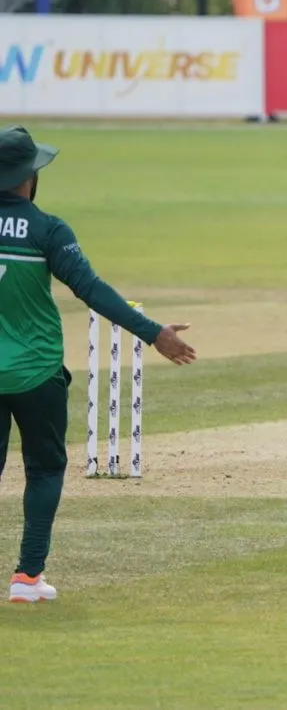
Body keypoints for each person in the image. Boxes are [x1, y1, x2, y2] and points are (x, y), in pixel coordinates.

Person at [0, 125, 196, 603]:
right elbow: (92, 290)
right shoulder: (48, 229)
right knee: (44, 470)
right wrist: (155, 334)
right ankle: (27, 579)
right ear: (30, 176)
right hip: (36, 372)